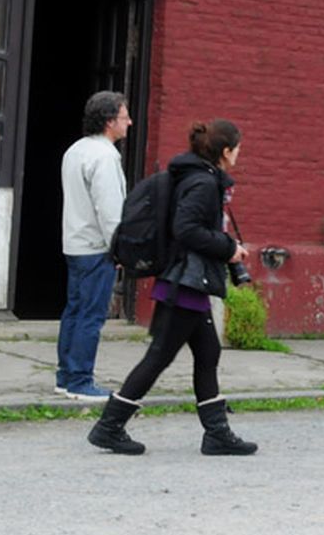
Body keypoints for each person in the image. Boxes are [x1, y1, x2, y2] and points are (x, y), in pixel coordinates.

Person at [88, 119, 256, 456]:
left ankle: (217, 433)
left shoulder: (197, 176)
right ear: (225, 151)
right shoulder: (203, 183)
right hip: (185, 284)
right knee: (159, 357)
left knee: (208, 353)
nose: (239, 154)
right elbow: (186, 228)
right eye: (237, 148)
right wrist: (228, 248)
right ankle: (109, 426)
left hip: (187, 283)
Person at [56, 91, 131, 402]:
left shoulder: (75, 150)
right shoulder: (105, 156)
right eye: (124, 116)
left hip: (74, 242)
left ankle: (65, 375)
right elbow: (110, 209)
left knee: (74, 311)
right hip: (96, 246)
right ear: (110, 121)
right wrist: (120, 250)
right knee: (91, 315)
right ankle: (80, 379)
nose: (129, 121)